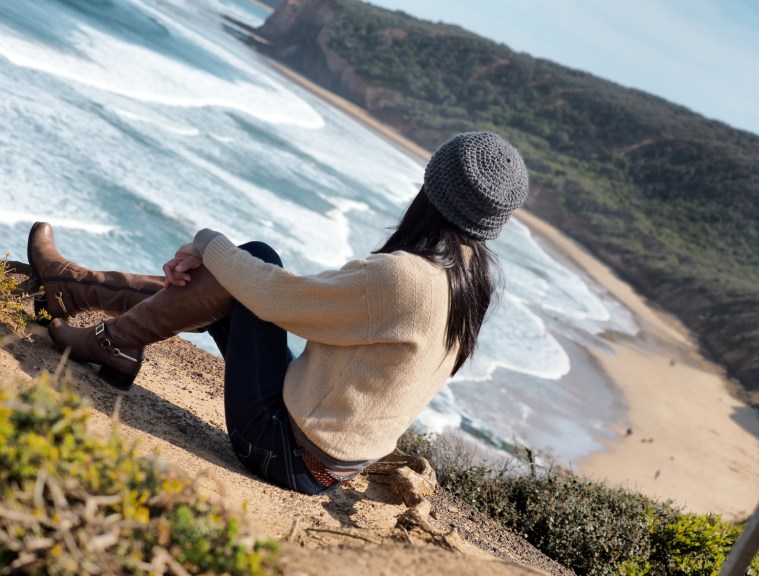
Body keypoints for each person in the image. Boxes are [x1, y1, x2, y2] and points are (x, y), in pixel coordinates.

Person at [27, 131, 528, 494]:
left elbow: (273, 297)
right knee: (240, 277)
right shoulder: (470, 287)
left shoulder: (403, 278)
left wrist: (206, 243)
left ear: (431, 190)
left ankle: (96, 323)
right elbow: (277, 298)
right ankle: (82, 304)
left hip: (284, 451)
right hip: (327, 463)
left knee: (255, 261)